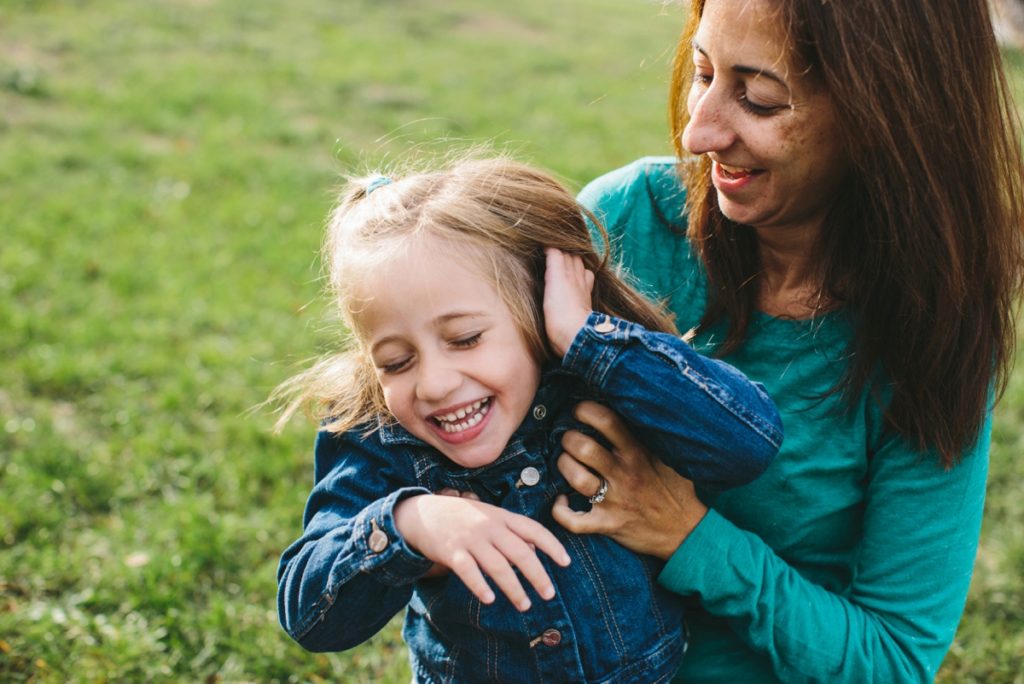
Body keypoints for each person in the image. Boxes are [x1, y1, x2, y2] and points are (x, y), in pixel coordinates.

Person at [550, 0, 1024, 682]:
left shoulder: (927, 333)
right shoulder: (626, 221)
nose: (699, 131)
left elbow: (893, 657)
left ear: (883, 119)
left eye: (761, 100)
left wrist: (686, 534)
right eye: (703, 72)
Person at [273, 157, 784, 682]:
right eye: (396, 363)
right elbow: (310, 616)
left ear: (539, 310)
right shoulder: (381, 439)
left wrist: (587, 338)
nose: (434, 384)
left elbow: (747, 445)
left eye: (465, 338)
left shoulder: (596, 382)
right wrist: (410, 524)